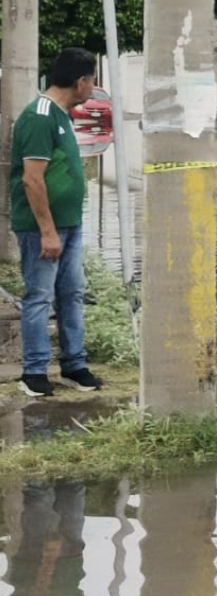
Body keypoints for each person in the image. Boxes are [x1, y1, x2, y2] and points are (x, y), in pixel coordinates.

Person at [11, 47, 103, 397]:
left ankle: (73, 365)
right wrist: (48, 232)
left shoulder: (63, 114)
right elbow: (32, 180)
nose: (93, 88)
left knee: (72, 293)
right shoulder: (40, 115)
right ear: (80, 81)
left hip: (71, 224)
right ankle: (34, 372)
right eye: (92, 81)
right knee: (39, 296)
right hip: (43, 229)